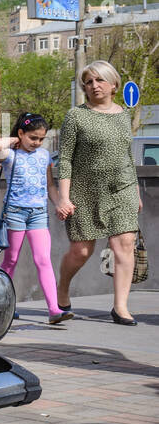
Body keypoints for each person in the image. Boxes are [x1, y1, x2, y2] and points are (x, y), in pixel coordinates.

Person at [54, 60, 143, 325]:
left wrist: (136, 191)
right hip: (85, 191)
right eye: (89, 82)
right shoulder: (76, 116)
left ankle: (120, 307)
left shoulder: (123, 114)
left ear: (113, 84)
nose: (94, 86)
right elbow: (66, 159)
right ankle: (62, 288)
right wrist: (64, 197)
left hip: (122, 188)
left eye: (99, 80)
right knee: (81, 251)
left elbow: (128, 156)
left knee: (124, 244)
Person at [0, 113, 71, 324]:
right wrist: (14, 141)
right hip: (15, 213)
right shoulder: (11, 155)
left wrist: (59, 204)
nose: (37, 143)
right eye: (32, 138)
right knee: (11, 260)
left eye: (41, 139)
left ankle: (54, 310)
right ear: (21, 133)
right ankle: (2, 304)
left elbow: (50, 186)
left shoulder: (44, 156)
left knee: (43, 260)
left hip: (38, 213)